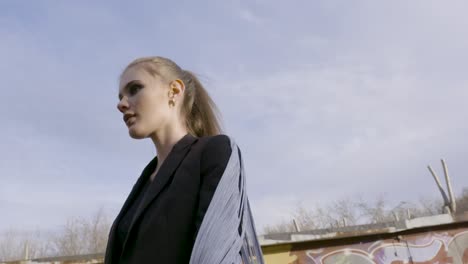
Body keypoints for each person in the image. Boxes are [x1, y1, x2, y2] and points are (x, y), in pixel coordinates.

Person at [104, 56, 264, 264]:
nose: (121, 104)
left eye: (134, 89)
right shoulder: (143, 182)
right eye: (120, 96)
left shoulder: (214, 152)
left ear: (174, 91)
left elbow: (214, 255)